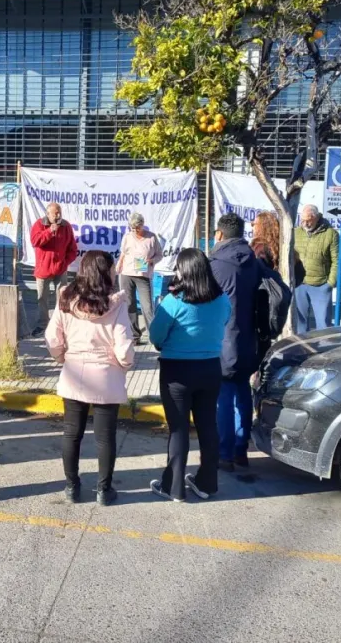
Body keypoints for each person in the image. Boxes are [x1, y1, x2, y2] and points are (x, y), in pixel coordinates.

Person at [45, 250, 134, 506]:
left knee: (71, 433)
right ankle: (104, 491)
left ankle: (72, 487)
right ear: (105, 272)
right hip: (106, 377)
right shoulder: (116, 304)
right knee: (105, 437)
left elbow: (53, 338)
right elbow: (124, 346)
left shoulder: (65, 298)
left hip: (74, 374)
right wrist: (124, 365)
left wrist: (63, 358)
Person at [147, 248, 229, 502]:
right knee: (207, 426)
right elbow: (224, 322)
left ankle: (173, 488)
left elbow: (155, 336)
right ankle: (207, 483)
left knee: (179, 429)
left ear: (184, 271)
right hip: (210, 368)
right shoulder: (222, 299)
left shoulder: (174, 302)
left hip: (177, 371)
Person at [209, 213, 259, 472]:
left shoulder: (216, 264)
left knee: (224, 397)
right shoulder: (253, 260)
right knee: (242, 392)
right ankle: (241, 451)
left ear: (219, 234)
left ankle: (225, 453)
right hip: (249, 339)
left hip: (222, 339)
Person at [30, 202, 78, 336]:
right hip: (43, 270)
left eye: (59, 213)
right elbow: (35, 241)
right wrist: (50, 231)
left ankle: (60, 326)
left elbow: (72, 249)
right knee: (42, 299)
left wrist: (65, 263)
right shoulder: (39, 225)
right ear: (47, 214)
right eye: (55, 213)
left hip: (60, 270)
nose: (58, 216)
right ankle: (42, 325)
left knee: (62, 299)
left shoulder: (66, 226)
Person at [115, 212, 163, 344]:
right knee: (129, 305)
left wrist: (151, 260)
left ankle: (154, 336)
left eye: (137, 227)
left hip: (143, 275)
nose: (135, 230)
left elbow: (160, 255)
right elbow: (123, 253)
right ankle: (135, 336)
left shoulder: (151, 237)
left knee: (147, 307)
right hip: (126, 274)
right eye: (133, 228)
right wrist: (119, 264)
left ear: (142, 225)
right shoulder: (127, 236)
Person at [293, 205, 339, 332]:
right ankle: (301, 350)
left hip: (321, 285)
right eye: (303, 220)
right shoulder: (295, 232)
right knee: (299, 324)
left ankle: (324, 350)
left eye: (309, 220)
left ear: (317, 217)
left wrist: (330, 283)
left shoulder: (330, 234)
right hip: (299, 285)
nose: (305, 223)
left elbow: (337, 261)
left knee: (323, 324)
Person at [252, 211, 305, 286]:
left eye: (253, 224)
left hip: (265, 292)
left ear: (261, 227)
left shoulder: (259, 248)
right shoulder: (284, 245)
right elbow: (300, 273)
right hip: (283, 292)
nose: (252, 227)